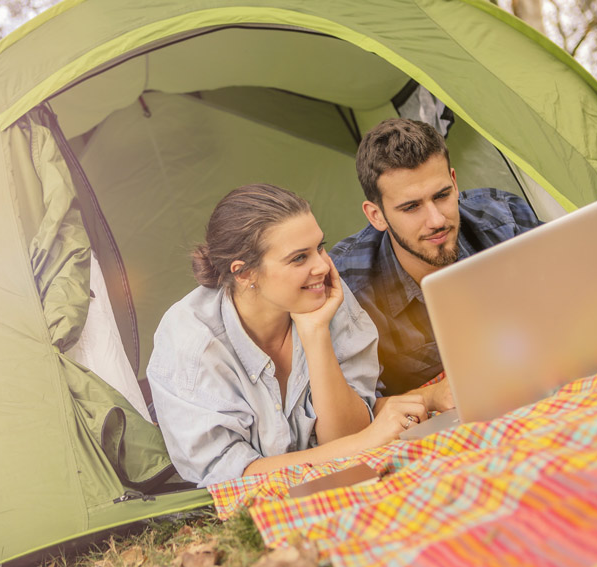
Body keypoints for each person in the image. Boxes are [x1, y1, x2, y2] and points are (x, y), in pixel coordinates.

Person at [147, 184, 429, 487]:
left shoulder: (322, 294)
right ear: (244, 273)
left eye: (320, 247)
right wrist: (364, 442)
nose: (322, 265)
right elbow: (230, 478)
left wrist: (315, 333)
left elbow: (345, 435)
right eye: (299, 258)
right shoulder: (191, 342)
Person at [331, 118, 542, 397]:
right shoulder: (348, 283)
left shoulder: (505, 218)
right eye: (411, 207)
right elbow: (361, 407)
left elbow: (577, 301)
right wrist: (429, 397)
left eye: (442, 195)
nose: (436, 220)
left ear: (454, 183)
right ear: (376, 215)